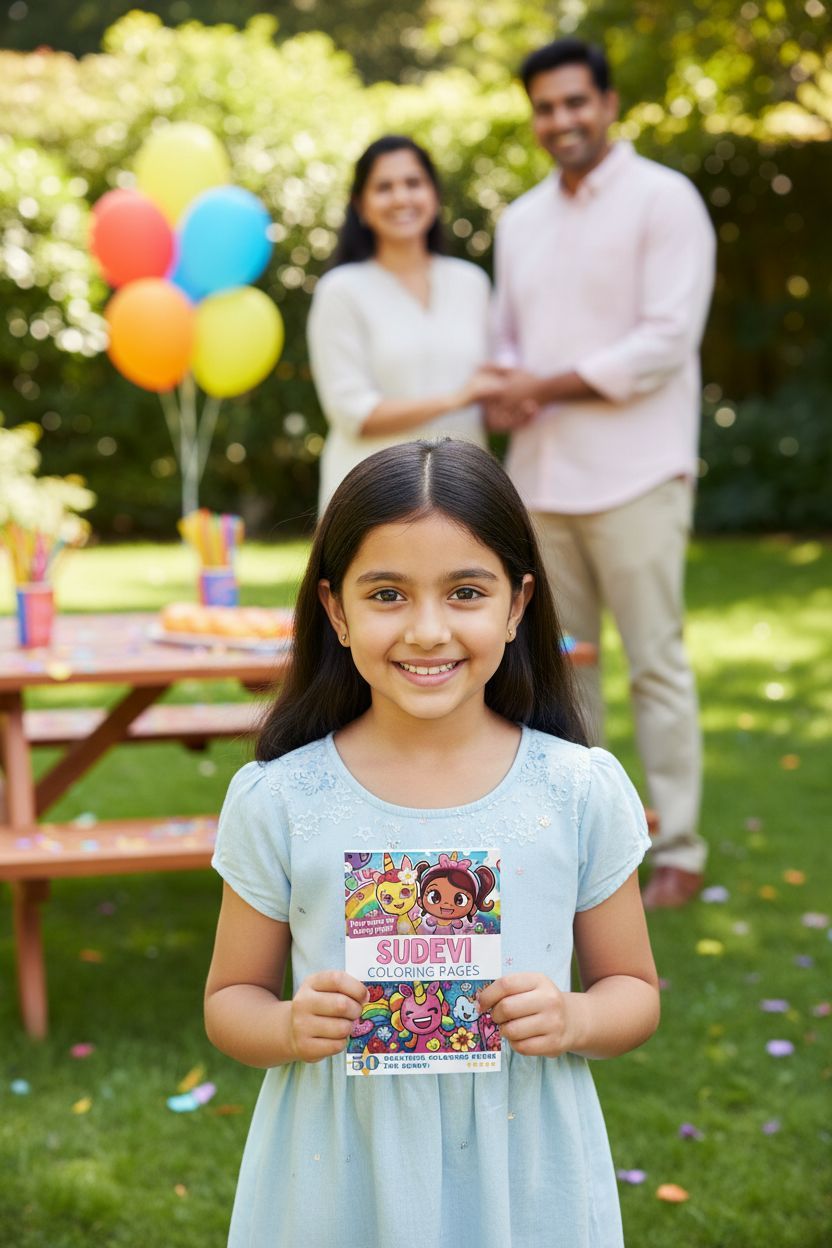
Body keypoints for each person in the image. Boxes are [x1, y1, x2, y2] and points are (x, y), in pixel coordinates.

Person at [205, 439, 660, 1248]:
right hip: (338, 1170)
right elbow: (229, 1000)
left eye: (464, 592)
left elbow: (633, 986)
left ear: (517, 606)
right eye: (386, 593)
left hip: (525, 1170)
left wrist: (575, 1014)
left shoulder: (575, 790)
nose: (426, 629)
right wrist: (284, 1027)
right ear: (336, 611)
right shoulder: (282, 800)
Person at [488, 37, 716, 909]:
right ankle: (574, 850)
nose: (562, 121)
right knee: (557, 671)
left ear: (609, 103)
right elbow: (508, 342)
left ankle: (680, 846)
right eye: (546, 107)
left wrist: (538, 384)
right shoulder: (520, 220)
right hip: (541, 479)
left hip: (640, 472)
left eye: (576, 102)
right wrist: (508, 392)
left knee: (655, 660)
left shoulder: (666, 200)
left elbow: (663, 343)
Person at [307, 135, 504, 512]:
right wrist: (455, 398)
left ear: (434, 194)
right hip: (372, 499)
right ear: (360, 206)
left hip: (466, 496)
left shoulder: (471, 282)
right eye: (384, 187)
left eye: (413, 183)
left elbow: (487, 391)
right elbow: (354, 414)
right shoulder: (342, 290)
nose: (401, 198)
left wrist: (509, 402)